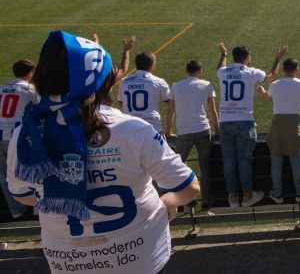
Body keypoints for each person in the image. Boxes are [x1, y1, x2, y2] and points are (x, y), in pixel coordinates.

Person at [7, 31, 199, 274]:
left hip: (68, 261)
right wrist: (167, 202)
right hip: (139, 257)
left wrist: (60, 191)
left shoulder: (25, 135)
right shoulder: (133, 130)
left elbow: (22, 194)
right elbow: (189, 188)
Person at [217, 44, 284, 207]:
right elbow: (271, 76)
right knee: (244, 159)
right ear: (247, 58)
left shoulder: (223, 72)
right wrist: (277, 58)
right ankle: (247, 195)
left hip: (225, 121)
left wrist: (223, 55)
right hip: (244, 120)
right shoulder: (251, 72)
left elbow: (220, 67)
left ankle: (232, 196)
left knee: (229, 160)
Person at [165, 52, 220, 213]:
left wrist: (168, 131)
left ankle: (185, 200)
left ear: (186, 71)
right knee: (205, 167)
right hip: (203, 130)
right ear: (200, 71)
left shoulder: (176, 86)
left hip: (184, 132)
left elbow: (170, 112)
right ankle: (206, 200)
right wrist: (217, 131)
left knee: (178, 166)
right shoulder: (207, 85)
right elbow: (213, 111)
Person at [257, 58, 300, 203]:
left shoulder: (275, 85)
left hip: (277, 128)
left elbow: (265, 97)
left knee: (276, 164)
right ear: (297, 69)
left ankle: (277, 193)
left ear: (283, 70)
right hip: (293, 128)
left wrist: (262, 90)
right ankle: (299, 192)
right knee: (296, 164)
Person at [0, 59, 37, 220]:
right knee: (30, 168)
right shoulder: (30, 89)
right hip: (17, 136)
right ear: (30, 73)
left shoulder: (1, 88)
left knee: (3, 174)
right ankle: (36, 207)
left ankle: (16, 210)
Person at [117, 49, 171, 132]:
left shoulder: (124, 82)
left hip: (129, 127)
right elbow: (171, 104)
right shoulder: (159, 82)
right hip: (152, 127)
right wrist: (168, 130)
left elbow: (121, 103)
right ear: (152, 66)